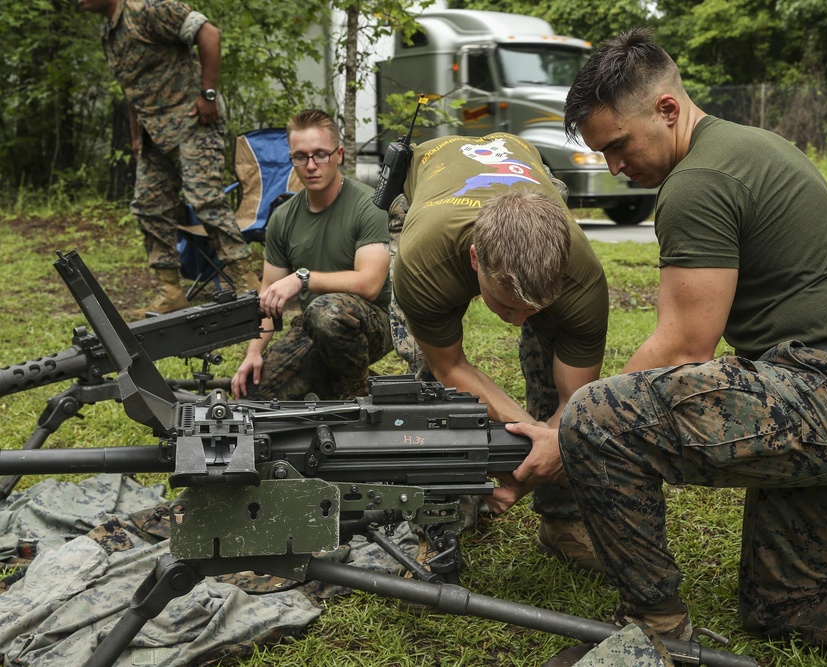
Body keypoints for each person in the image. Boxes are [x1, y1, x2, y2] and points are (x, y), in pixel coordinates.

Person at [536, 28, 827, 667]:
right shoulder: (750, 146)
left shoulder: (696, 181)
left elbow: (682, 348)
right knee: (785, 601)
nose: (615, 167)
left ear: (667, 109)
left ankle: (655, 632)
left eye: (618, 145)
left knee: (596, 416)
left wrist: (563, 432)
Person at [389, 133, 609, 569]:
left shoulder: (582, 279)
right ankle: (439, 519)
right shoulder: (423, 259)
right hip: (429, 188)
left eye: (534, 307)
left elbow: (574, 401)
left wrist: (544, 453)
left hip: (526, 169)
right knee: (429, 378)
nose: (517, 320)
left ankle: (562, 522)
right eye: (507, 306)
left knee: (552, 357)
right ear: (474, 260)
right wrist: (537, 441)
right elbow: (449, 364)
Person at [80, 0, 259, 319]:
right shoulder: (108, 31)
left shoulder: (148, 9)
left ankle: (247, 281)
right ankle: (171, 291)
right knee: (147, 206)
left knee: (204, 198)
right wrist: (136, 135)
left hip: (195, 121)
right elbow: (130, 86)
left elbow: (210, 33)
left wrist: (208, 94)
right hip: (155, 133)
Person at [231, 109, 392, 401]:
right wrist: (254, 353)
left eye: (320, 154)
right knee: (253, 395)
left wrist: (303, 279)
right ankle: (334, 381)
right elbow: (267, 295)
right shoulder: (282, 218)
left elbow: (369, 284)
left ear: (339, 154)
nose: (311, 165)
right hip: (314, 326)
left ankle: (358, 395)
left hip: (374, 323)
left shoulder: (368, 206)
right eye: (300, 156)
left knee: (325, 313)